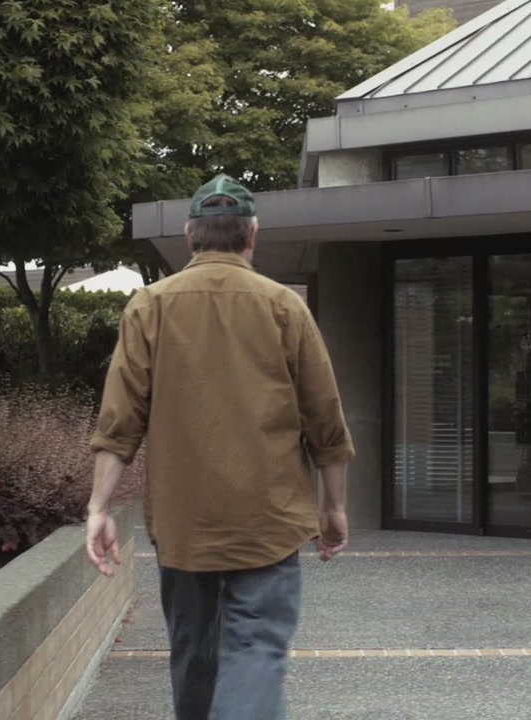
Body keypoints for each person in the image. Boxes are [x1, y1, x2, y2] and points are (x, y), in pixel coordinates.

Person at [85, 174, 355, 720]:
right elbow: (325, 421)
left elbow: (120, 420)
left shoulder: (149, 306)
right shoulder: (284, 307)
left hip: (184, 522)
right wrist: (334, 507)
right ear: (252, 235)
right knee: (255, 649)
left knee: (194, 653)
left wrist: (98, 508)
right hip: (268, 519)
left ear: (190, 236)